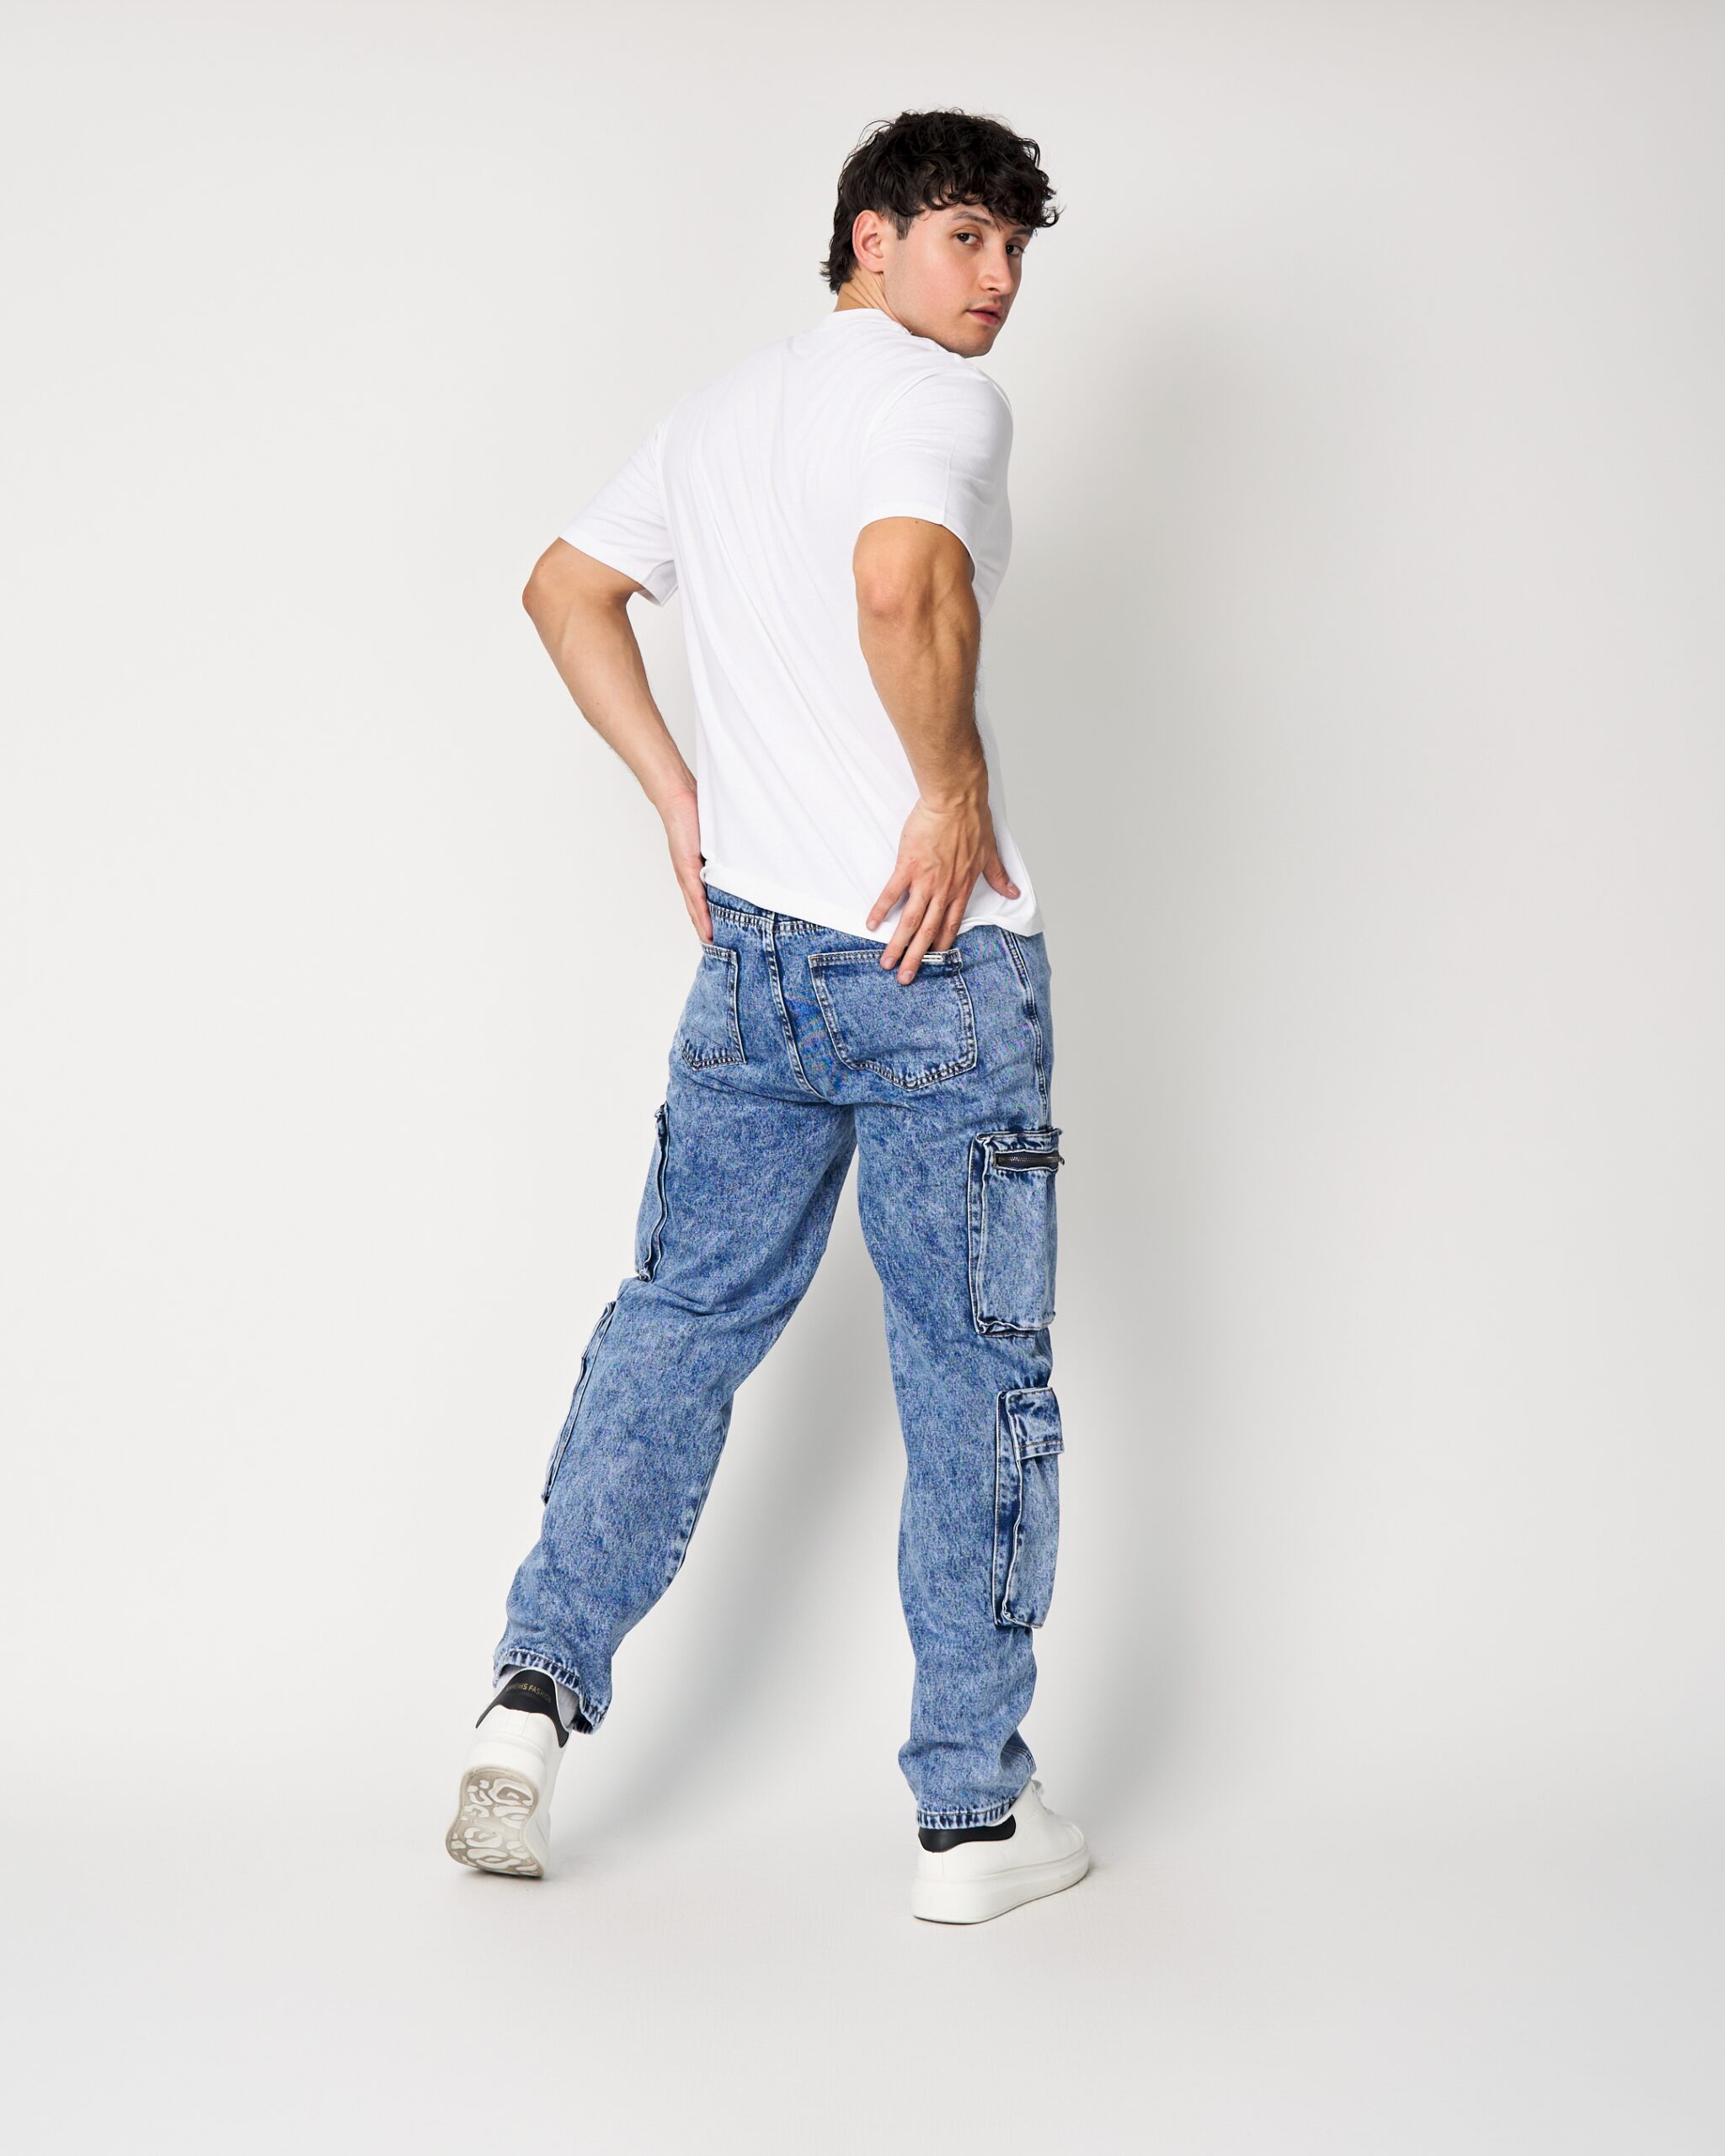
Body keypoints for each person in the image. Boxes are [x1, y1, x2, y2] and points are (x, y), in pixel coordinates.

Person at [446, 108, 1088, 1924]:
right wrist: (947, 789)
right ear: (871, 236)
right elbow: (900, 581)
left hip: (753, 963)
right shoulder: (939, 401)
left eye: (1015, 249)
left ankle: (527, 1702)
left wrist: (682, 796)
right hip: (931, 963)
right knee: (970, 1369)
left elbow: (564, 587)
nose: (998, 279)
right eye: (964, 236)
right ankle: (971, 1821)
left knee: (678, 1323)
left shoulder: (722, 415)